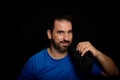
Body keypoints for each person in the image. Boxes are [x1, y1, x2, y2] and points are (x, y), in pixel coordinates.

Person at [17, 13, 119, 80]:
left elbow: (114, 73)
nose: (67, 38)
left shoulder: (81, 57)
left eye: (69, 32)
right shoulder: (34, 62)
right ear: (49, 34)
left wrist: (97, 53)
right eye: (61, 32)